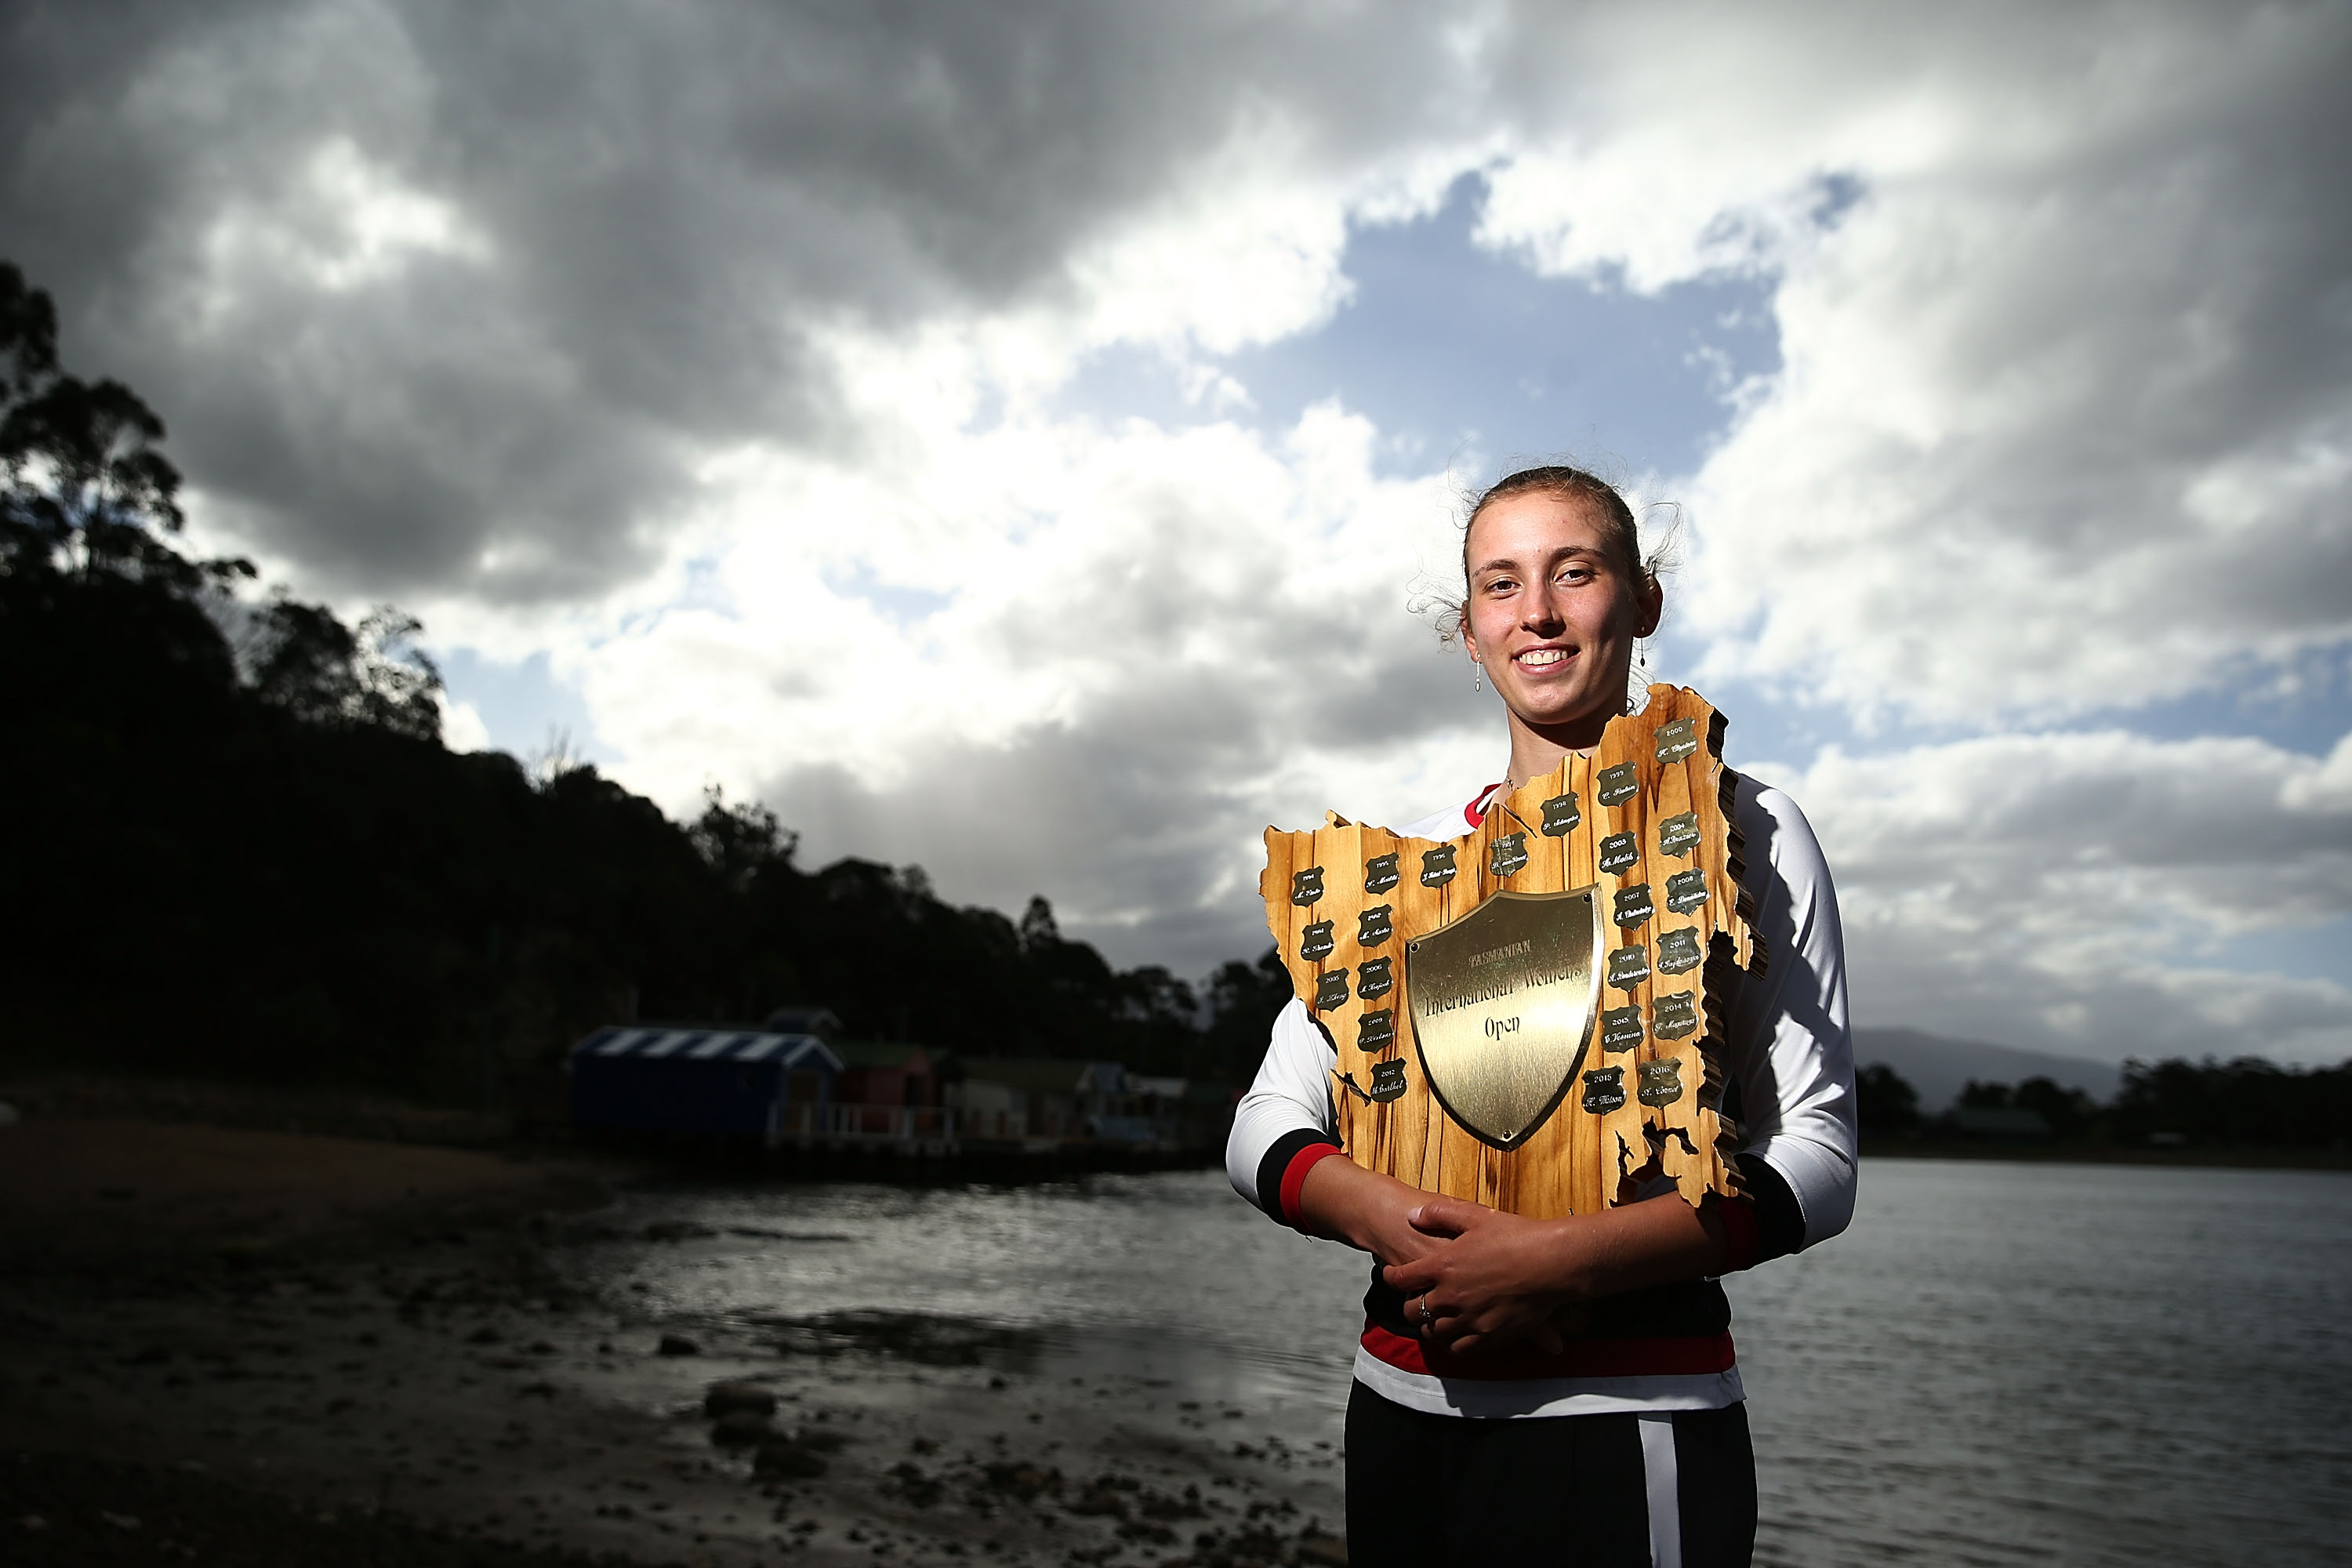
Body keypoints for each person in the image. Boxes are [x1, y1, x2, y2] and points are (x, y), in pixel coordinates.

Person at [1225, 466, 1856, 1568]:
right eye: (1501, 585)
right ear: (1469, 630)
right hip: (1400, 1411)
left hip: (1633, 1419)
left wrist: (1560, 1266)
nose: (1540, 614)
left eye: (1576, 572)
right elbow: (1262, 1125)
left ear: (1642, 600)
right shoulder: (1407, 868)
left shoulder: (1745, 826)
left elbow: (1818, 1160)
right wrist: (1403, 1232)